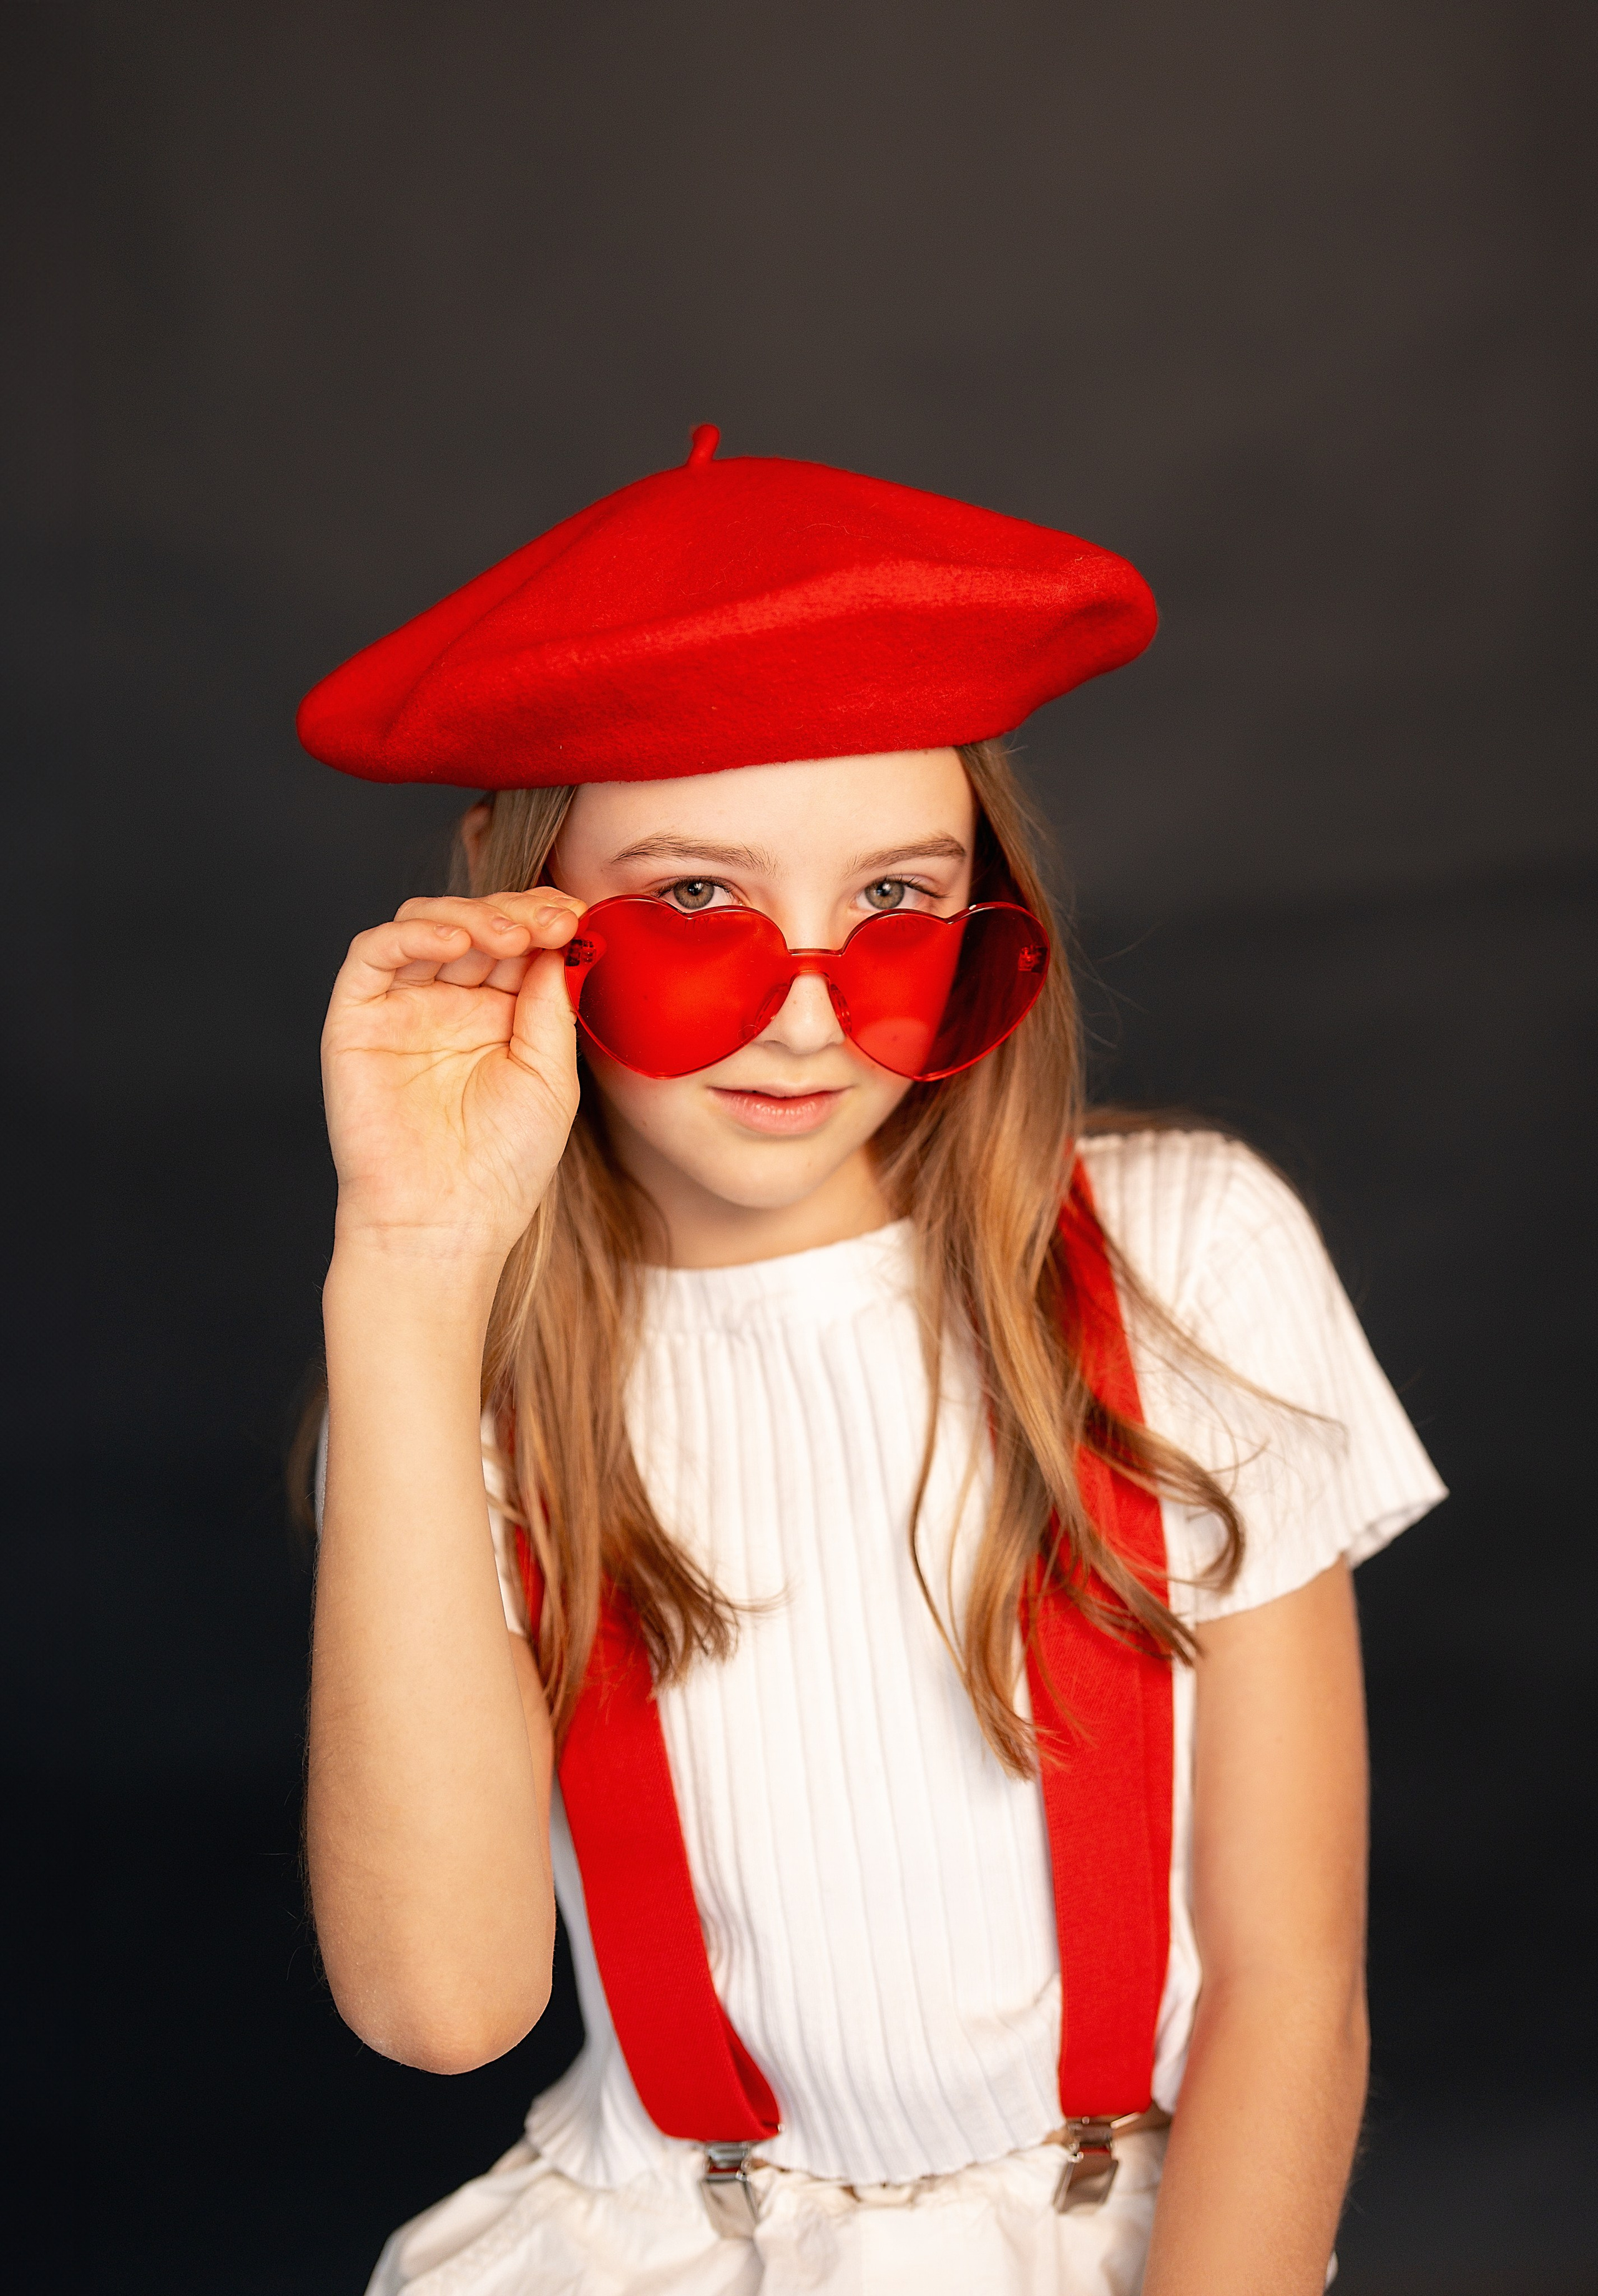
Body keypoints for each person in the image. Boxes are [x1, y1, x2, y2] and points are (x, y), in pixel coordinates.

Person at [298, 426, 1444, 2296]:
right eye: (697, 907)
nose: (811, 1008)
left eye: (898, 906)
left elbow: (1289, 1982)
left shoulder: (1189, 1255)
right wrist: (408, 1276)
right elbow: (442, 2005)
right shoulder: (457, 1382)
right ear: (525, 919)